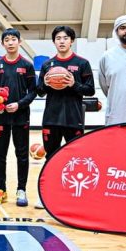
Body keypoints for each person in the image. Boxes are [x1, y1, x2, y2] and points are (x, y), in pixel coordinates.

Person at [36, 25, 95, 208]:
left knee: (75, 160)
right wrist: (46, 83)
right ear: (54, 42)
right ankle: (46, 194)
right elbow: (39, 92)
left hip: (73, 118)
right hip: (51, 118)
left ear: (72, 41)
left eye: (65, 38)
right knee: (51, 157)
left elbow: (90, 90)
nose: (61, 41)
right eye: (58, 38)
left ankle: (73, 195)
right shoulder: (47, 65)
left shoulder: (82, 63)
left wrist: (73, 84)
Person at [0, 29, 36, 207]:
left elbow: (33, 91)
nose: (10, 42)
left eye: (13, 39)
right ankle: (1, 190)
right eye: (6, 40)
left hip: (21, 117)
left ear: (19, 42)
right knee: (0, 155)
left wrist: (19, 104)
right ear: (2, 44)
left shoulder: (27, 65)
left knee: (22, 155)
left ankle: (21, 190)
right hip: (0, 118)